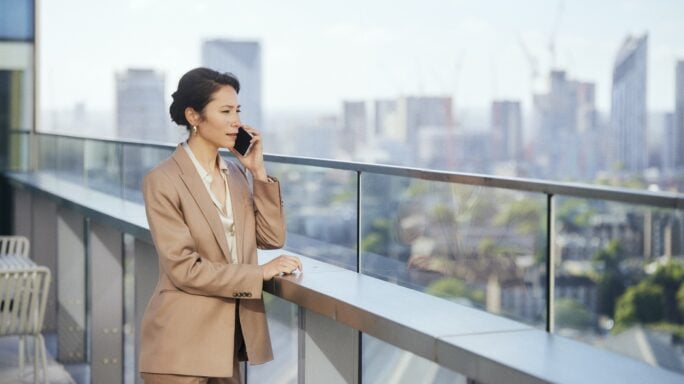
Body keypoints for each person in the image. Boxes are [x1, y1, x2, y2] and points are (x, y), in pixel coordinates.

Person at [139, 67, 302, 384]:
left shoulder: (236, 176)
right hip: (180, 350)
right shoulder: (162, 181)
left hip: (226, 349)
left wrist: (258, 173)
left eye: (237, 111)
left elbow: (271, 237)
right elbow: (184, 269)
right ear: (194, 116)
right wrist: (259, 273)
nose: (235, 121)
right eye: (225, 111)